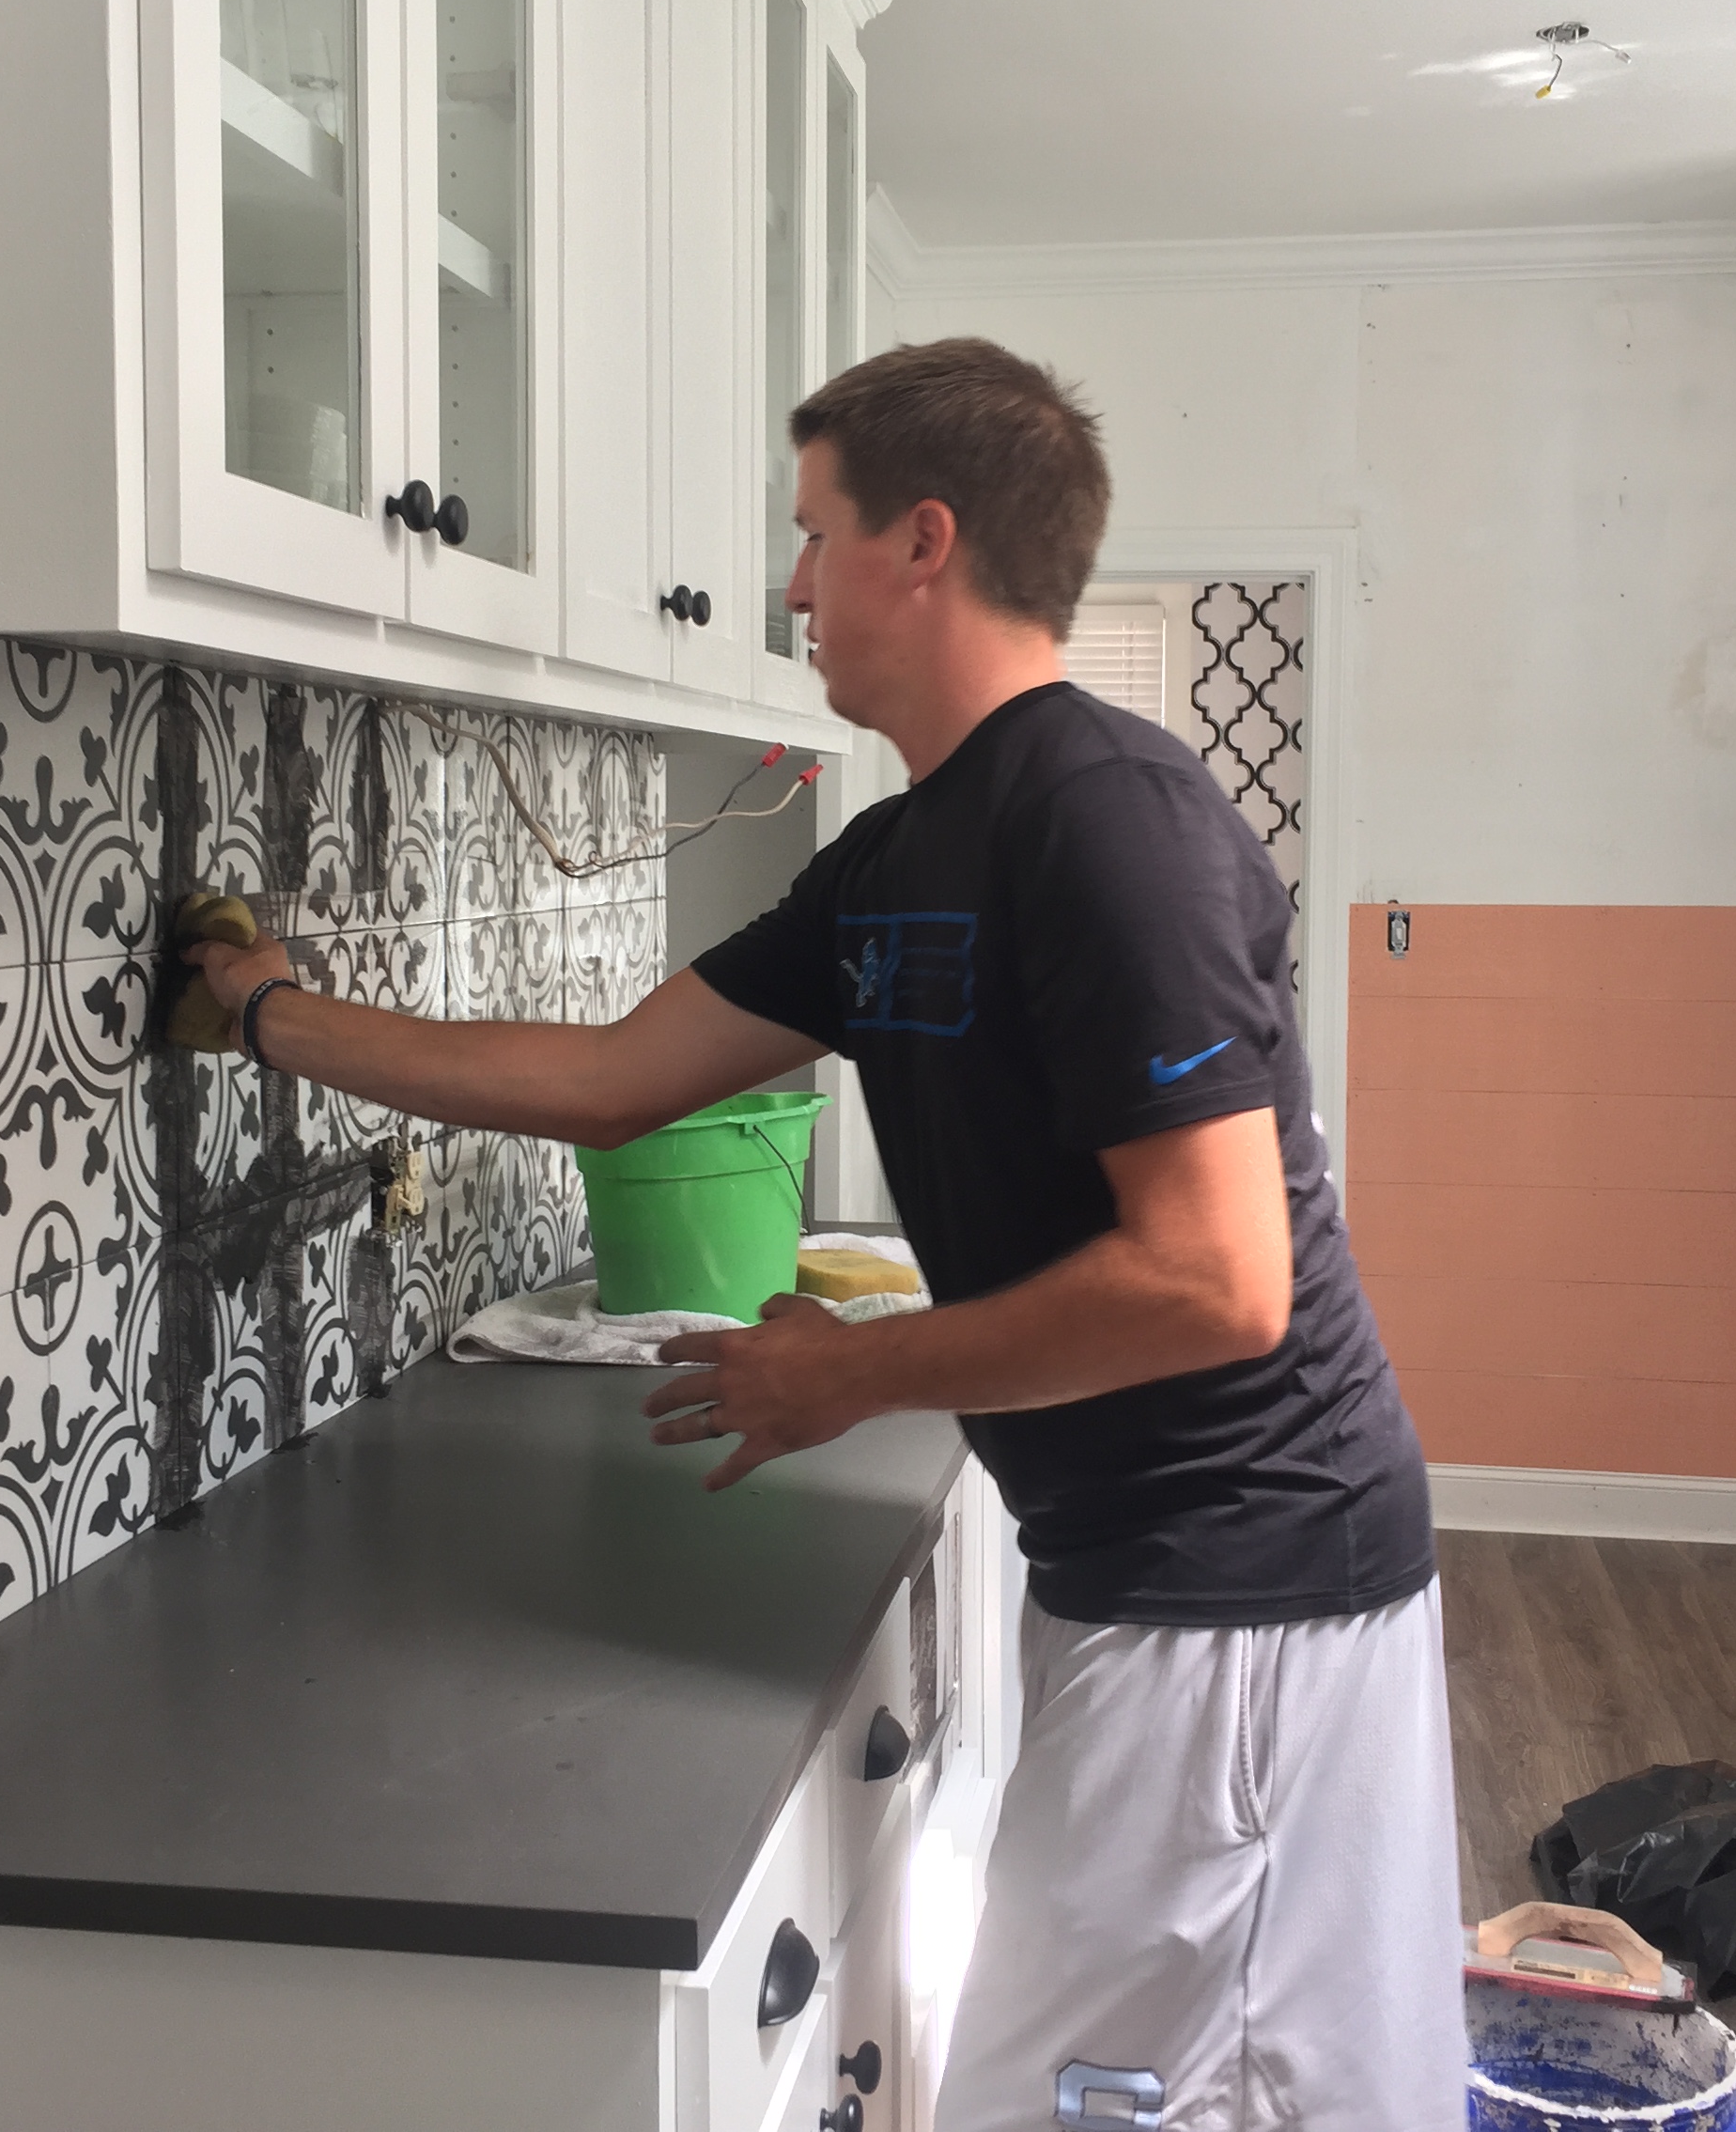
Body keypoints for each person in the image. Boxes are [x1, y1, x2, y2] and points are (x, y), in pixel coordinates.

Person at [186, 336, 1465, 2132]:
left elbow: (1217, 1281)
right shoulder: (894, 862)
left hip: (1254, 1608)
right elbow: (610, 1081)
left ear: (922, 541)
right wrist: (273, 1016)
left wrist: (849, 1374)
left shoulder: (1108, 817)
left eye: (812, 532)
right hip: (1139, 1583)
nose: (790, 586)